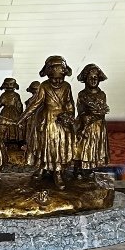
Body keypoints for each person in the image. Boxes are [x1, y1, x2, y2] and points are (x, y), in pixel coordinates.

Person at [20, 55, 75, 189]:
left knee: (58, 146)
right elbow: (35, 103)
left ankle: (57, 172)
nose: (57, 81)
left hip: (60, 122)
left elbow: (69, 103)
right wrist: (22, 117)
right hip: (46, 120)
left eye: (60, 78)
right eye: (53, 78)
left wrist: (69, 114)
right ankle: (41, 168)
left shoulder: (67, 87)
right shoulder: (44, 86)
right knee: (44, 146)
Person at [74, 63, 109, 176]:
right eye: (90, 78)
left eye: (96, 78)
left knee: (94, 148)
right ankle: (79, 167)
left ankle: (89, 168)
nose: (93, 80)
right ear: (85, 79)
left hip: (97, 126)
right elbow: (80, 110)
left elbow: (102, 111)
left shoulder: (101, 95)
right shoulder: (82, 94)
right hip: (84, 125)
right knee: (81, 146)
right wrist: (87, 118)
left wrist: (96, 114)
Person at [0, 77, 23, 147]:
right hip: (12, 113)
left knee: (9, 125)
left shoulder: (5, 95)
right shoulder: (15, 95)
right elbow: (19, 105)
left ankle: (10, 139)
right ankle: (11, 139)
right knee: (10, 124)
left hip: (7, 113)